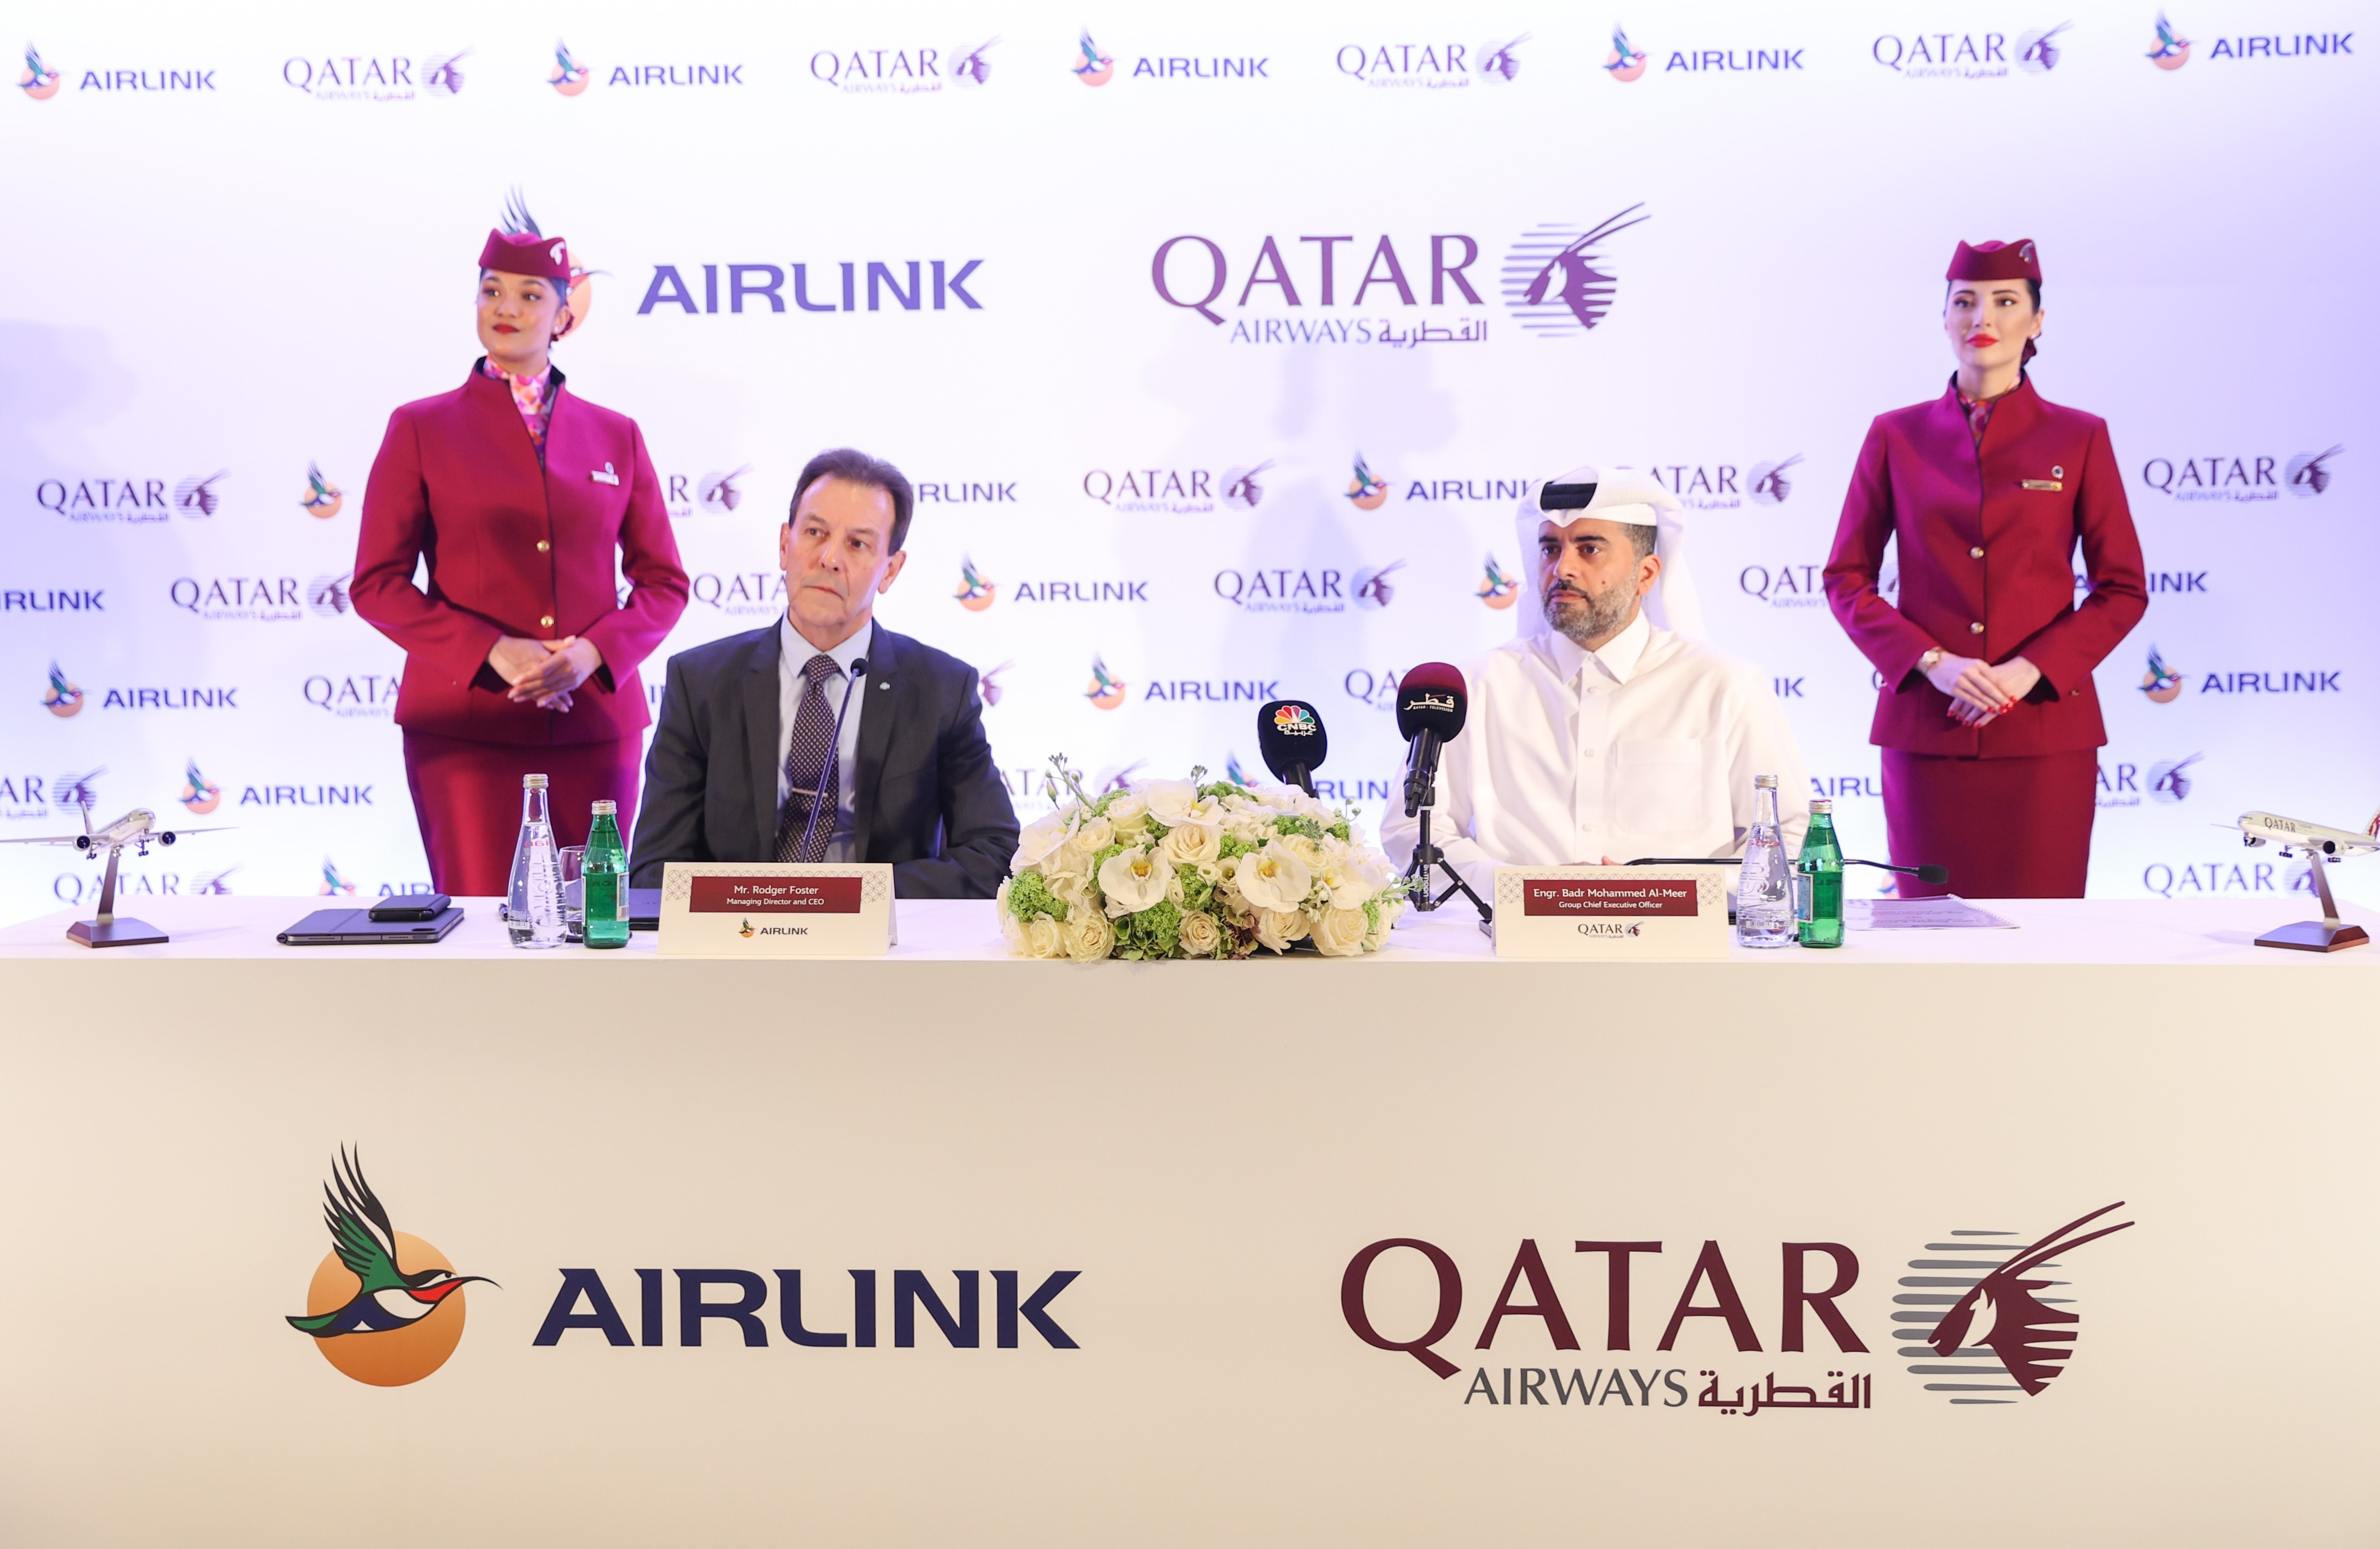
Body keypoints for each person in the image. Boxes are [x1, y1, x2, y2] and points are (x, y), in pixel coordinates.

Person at [352, 203, 688, 896]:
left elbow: (664, 583)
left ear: (564, 316)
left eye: (531, 295)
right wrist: (491, 650)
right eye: (492, 291)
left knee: (594, 916)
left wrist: (592, 653)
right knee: (483, 928)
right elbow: (377, 584)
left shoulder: (616, 434)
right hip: (466, 730)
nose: (507, 308)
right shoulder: (420, 427)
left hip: (595, 725)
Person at [1823, 239, 2147, 898]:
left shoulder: (2078, 436)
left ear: (2037, 320)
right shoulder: (1895, 435)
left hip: (2044, 733)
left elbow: (2122, 588)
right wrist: (1932, 662)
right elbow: (1846, 577)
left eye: (2004, 302)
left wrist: (2031, 669)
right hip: (1927, 729)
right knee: (1931, 931)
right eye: (1965, 302)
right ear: (1944, 318)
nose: (1982, 318)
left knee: (2043, 931)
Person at [1382, 466, 1809, 888]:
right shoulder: (1477, 686)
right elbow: (1412, 832)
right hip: (1506, 933)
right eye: (1550, 549)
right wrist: (1523, 889)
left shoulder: (1725, 686)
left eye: (1589, 549)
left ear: (1646, 574)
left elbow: (1791, 836)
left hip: (1676, 934)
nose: (1563, 568)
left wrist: (1664, 891)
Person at [629, 448, 1018, 897]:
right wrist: (762, 901)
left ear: (890, 570)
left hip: (881, 935)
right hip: (742, 932)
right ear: (784, 545)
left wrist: (854, 895)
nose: (830, 558)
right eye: (815, 533)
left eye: (858, 544)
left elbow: (995, 854)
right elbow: (654, 871)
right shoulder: (700, 682)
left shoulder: (941, 690)